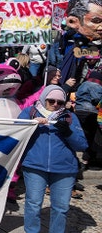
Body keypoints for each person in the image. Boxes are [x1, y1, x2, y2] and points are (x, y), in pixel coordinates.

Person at [18, 85, 87, 233]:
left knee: (61, 207)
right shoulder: (29, 112)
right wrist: (31, 125)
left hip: (64, 169)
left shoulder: (70, 117)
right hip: (35, 165)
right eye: (51, 101)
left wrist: (68, 133)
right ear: (43, 99)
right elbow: (16, 134)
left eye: (60, 102)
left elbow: (82, 145)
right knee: (33, 204)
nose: (55, 105)